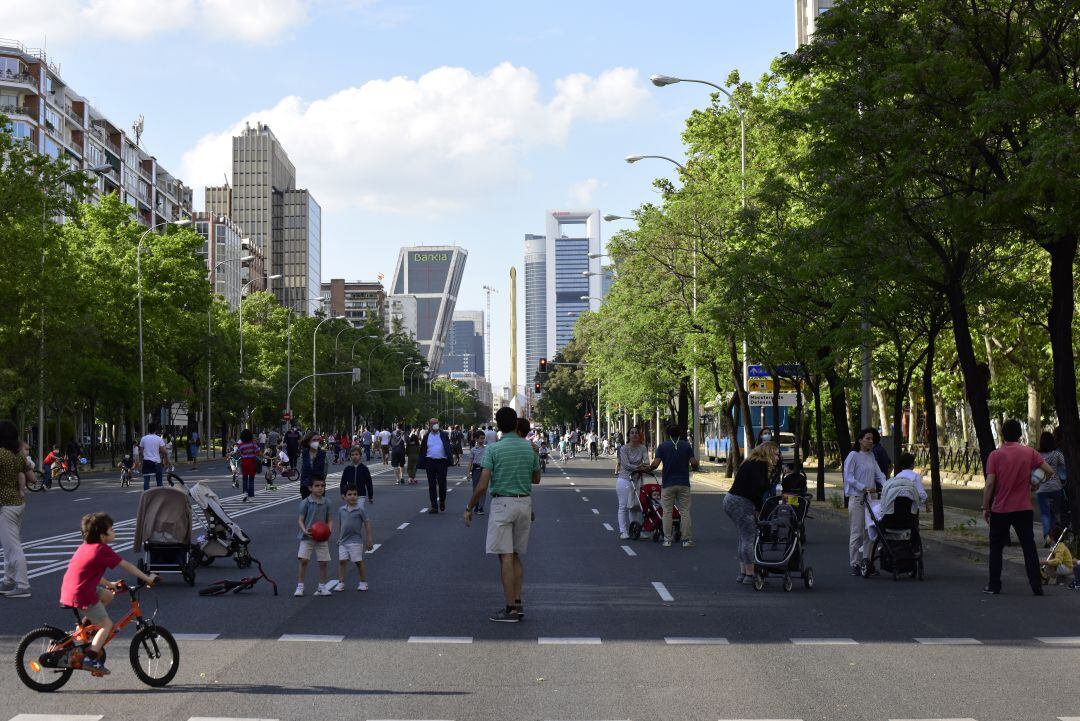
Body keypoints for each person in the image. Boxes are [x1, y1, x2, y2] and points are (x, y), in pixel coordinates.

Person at [464, 406, 541, 623]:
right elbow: (536, 479)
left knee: (505, 556)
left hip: (502, 504)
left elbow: (482, 485)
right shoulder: (529, 449)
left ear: (498, 425)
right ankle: (518, 601)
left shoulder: (493, 450)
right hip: (524, 503)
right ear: (516, 424)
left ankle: (510, 609)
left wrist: (469, 507)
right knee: (516, 555)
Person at [58, 512, 158, 674]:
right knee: (107, 625)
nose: (114, 532)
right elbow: (126, 565)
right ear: (102, 535)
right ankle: (90, 658)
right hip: (82, 593)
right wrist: (147, 578)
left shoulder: (85, 547)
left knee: (107, 595)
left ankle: (83, 627)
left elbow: (90, 573)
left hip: (72, 589)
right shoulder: (101, 549)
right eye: (111, 529)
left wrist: (109, 584)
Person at [982, 418, 1055, 596]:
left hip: (1001, 509)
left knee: (996, 548)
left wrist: (985, 506)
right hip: (1024, 508)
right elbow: (1049, 471)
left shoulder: (995, 455)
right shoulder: (1029, 452)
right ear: (1020, 435)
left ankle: (994, 585)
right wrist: (1036, 483)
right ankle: (1036, 584)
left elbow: (990, 483)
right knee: (1028, 546)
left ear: (1002, 434)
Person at [724, 441, 777, 583]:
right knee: (748, 538)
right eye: (776, 454)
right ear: (769, 453)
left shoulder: (750, 462)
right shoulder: (760, 466)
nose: (778, 458)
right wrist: (758, 510)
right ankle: (749, 574)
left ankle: (743, 572)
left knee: (743, 537)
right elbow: (756, 490)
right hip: (741, 502)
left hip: (731, 500)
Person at [843, 428, 887, 576]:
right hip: (857, 498)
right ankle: (854, 563)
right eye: (868, 438)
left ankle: (867, 562)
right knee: (857, 532)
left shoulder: (871, 456)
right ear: (860, 440)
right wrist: (864, 488)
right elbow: (848, 477)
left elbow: (879, 475)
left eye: (872, 439)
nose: (870, 441)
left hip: (871, 499)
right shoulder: (853, 456)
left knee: (871, 531)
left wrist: (888, 487)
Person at [648, 423, 700, 548]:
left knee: (667, 512)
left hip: (668, 484)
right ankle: (686, 539)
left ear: (667, 434)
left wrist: (649, 468)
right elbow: (694, 463)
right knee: (685, 511)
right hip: (683, 483)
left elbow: (656, 464)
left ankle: (667, 539)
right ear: (680, 433)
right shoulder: (686, 446)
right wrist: (693, 467)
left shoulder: (663, 446)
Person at [0, 420, 30, 597]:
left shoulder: (1, 454)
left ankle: (23, 585)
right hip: (18, 502)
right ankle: (8, 580)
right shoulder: (18, 454)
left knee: (12, 547)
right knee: (8, 544)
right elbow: (29, 474)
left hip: (6, 505)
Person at [295, 474, 333, 597]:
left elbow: (330, 519)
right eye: (317, 486)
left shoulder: (327, 502)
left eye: (322, 486)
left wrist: (329, 530)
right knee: (304, 560)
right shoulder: (305, 502)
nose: (320, 488)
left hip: (322, 537)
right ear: (310, 488)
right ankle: (300, 586)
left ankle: (322, 586)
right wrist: (304, 530)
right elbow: (300, 519)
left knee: (323, 562)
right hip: (308, 536)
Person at [333, 483, 373, 592]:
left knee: (358, 562)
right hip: (343, 541)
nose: (352, 496)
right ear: (344, 497)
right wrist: (339, 537)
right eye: (349, 494)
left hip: (355, 540)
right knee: (342, 561)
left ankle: (363, 582)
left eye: (355, 494)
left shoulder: (361, 510)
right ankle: (341, 582)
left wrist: (369, 539)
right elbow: (340, 524)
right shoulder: (341, 510)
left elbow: (367, 524)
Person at [615, 427, 650, 540]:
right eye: (632, 433)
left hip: (638, 479)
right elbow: (625, 465)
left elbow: (647, 462)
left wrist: (644, 467)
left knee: (636, 506)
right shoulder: (624, 449)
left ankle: (637, 530)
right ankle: (623, 531)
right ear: (628, 435)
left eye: (636, 433)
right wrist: (638, 467)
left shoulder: (642, 448)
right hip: (625, 479)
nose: (634, 435)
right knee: (624, 506)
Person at [1036, 431, 1067, 545]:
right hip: (1056, 487)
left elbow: (1033, 469)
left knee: (1044, 513)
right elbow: (1065, 465)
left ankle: (1046, 536)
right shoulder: (1057, 454)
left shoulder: (1037, 455)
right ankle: (1053, 537)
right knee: (1054, 513)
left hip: (1042, 488)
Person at [418, 418, 453, 513]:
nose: (435, 425)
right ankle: (434, 506)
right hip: (430, 462)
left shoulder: (444, 435)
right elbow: (423, 449)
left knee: (442, 484)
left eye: (436, 423)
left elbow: (448, 448)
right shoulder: (426, 436)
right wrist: (422, 461)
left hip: (442, 462)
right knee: (432, 485)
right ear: (429, 425)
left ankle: (442, 501)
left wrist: (450, 460)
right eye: (433, 423)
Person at [139, 422, 168, 491]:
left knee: (146, 480)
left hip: (146, 461)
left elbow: (141, 451)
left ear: (148, 430)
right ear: (155, 430)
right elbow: (165, 451)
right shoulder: (158, 439)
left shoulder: (143, 439)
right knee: (159, 480)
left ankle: (146, 496)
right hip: (156, 462)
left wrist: (141, 461)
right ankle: (160, 497)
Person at [299, 432, 327, 500]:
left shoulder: (323, 454)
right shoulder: (304, 454)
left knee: (319, 508)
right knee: (306, 508)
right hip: (305, 486)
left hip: (319, 486)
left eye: (318, 440)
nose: (316, 442)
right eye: (314, 440)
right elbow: (302, 469)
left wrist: (320, 483)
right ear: (308, 442)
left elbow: (325, 471)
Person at [236, 429, 260, 502]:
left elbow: (238, 452)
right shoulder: (253, 443)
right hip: (252, 462)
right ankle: (251, 496)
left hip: (244, 463)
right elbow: (258, 451)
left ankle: (245, 493)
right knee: (251, 480)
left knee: (245, 479)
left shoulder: (241, 444)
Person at [469, 430, 488, 515]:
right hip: (476, 470)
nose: (482, 440)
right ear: (476, 439)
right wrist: (468, 473)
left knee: (483, 489)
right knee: (476, 488)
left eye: (483, 438)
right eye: (481, 438)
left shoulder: (487, 449)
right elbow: (470, 462)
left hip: (484, 470)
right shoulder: (473, 450)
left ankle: (481, 507)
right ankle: (476, 505)